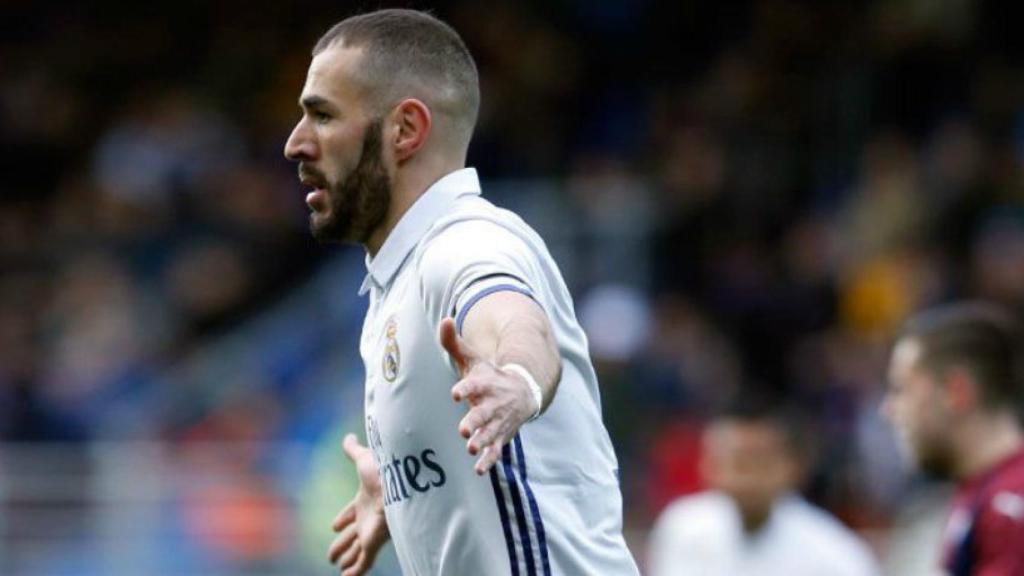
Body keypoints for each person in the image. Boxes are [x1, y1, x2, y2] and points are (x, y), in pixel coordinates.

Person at [282, 9, 639, 576]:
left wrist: (517, 381)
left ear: (405, 130)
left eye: (322, 116)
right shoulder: (394, 283)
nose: (295, 144)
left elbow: (515, 324)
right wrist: (405, 492)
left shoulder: (464, 242)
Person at [648, 399, 881, 576]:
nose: (744, 478)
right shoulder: (680, 528)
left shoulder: (834, 555)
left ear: (792, 465)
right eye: (733, 461)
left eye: (756, 462)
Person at [883, 302, 1024, 575]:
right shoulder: (982, 491)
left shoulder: (1010, 508)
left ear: (955, 392)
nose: (888, 410)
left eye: (901, 389)